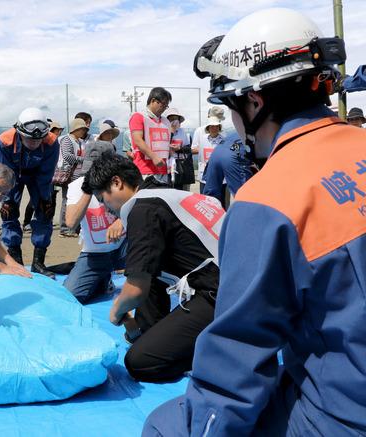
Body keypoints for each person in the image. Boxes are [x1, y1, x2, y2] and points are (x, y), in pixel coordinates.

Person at [144, 8, 366, 436]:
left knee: (166, 424)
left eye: (229, 105)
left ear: (254, 101)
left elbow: (236, 364)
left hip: (346, 414)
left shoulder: (266, 201)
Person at [85, 153, 222, 383]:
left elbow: (135, 291)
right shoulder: (165, 194)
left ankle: (222, 349)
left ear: (117, 183)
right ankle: (150, 333)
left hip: (222, 296)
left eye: (103, 198)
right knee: (151, 269)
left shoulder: (142, 208)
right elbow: (148, 269)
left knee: (140, 362)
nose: (106, 208)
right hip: (239, 282)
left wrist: (117, 311)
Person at [0, 107, 60, 278]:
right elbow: (4, 173)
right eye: (29, 139)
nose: (34, 143)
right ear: (19, 132)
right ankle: (15, 258)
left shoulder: (52, 143)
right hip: (12, 174)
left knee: (45, 211)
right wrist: (8, 198)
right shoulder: (5, 142)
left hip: (39, 175)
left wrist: (45, 198)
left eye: (38, 139)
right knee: (8, 210)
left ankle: (38, 262)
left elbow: (45, 175)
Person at [63, 142, 126, 303]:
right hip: (95, 253)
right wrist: (88, 189)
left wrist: (122, 219)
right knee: (70, 296)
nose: (96, 174)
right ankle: (102, 279)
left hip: (124, 248)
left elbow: (143, 204)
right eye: (92, 169)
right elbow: (70, 223)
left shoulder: (124, 180)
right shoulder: (78, 186)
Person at [23, 119, 64, 231]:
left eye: (60, 130)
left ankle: (47, 220)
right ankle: (27, 222)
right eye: (56, 130)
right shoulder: (41, 142)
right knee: (34, 200)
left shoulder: (57, 142)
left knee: (51, 199)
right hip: (41, 177)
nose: (58, 132)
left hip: (55, 175)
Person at [129, 87, 173, 185]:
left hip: (163, 171)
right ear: (153, 101)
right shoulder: (138, 116)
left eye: (166, 106)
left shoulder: (165, 121)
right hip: (144, 170)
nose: (164, 108)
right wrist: (154, 157)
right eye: (163, 104)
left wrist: (169, 150)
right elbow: (138, 140)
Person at [202, 133, 256, 208]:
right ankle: (248, 217)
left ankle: (207, 215)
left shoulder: (240, 131)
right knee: (244, 196)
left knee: (210, 196)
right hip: (232, 155)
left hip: (216, 153)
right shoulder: (267, 136)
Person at [56, 118, 88, 237]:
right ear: (76, 129)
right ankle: (65, 228)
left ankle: (73, 227)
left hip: (78, 174)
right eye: (82, 129)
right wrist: (83, 160)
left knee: (75, 200)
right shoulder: (67, 140)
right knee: (67, 200)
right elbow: (67, 156)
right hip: (70, 175)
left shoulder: (77, 140)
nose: (84, 131)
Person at [165, 108, 195, 191]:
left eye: (176, 118)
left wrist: (179, 149)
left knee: (182, 190)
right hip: (167, 167)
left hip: (181, 166)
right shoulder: (164, 131)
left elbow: (188, 149)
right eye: (171, 118)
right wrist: (171, 132)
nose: (174, 121)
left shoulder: (183, 133)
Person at [195, 116, 224, 193]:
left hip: (220, 175)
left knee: (220, 201)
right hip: (204, 175)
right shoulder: (202, 139)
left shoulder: (224, 140)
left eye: (216, 126)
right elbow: (198, 154)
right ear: (208, 128)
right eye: (212, 126)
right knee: (204, 199)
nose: (214, 128)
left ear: (219, 128)